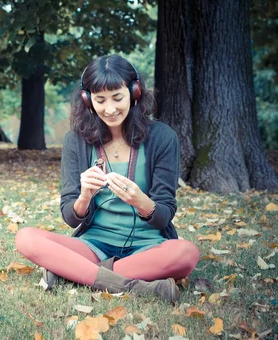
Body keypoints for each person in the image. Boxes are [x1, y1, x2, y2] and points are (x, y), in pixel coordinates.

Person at [15, 54, 199, 303]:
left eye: (117, 98)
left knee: (186, 253)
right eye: (100, 100)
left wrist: (140, 200)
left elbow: (165, 214)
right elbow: (70, 217)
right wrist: (84, 196)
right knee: (26, 237)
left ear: (135, 93)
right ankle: (138, 286)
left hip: (149, 245)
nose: (110, 109)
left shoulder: (163, 137)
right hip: (94, 245)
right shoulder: (75, 141)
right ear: (88, 100)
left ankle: (73, 274)